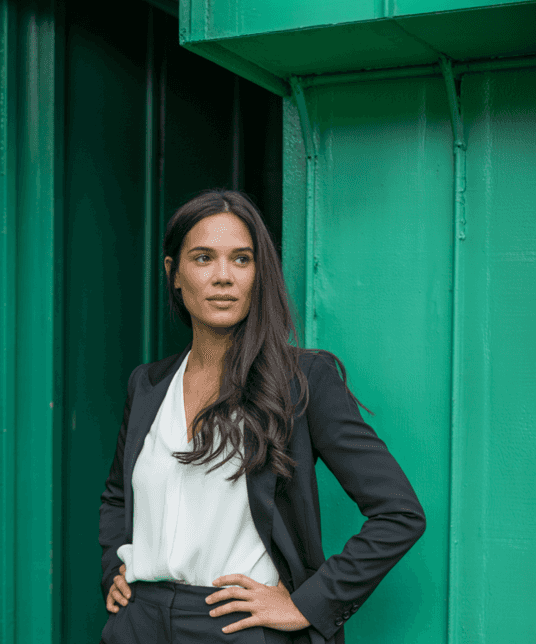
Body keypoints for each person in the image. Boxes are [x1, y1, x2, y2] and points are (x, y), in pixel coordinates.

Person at [97, 189, 425, 644]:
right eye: (204, 258)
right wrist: (115, 564)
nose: (223, 277)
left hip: (235, 628)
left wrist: (307, 604)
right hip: (139, 622)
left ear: (259, 273)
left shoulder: (301, 381)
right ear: (174, 274)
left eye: (242, 259)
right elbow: (117, 496)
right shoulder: (148, 384)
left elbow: (399, 513)